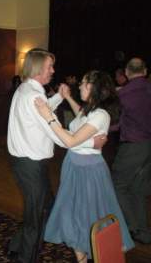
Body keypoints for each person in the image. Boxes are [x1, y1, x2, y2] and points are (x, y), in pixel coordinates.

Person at [6, 48, 106, 263]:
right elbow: (58, 134)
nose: (53, 70)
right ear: (39, 68)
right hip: (30, 164)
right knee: (37, 216)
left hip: (25, 162)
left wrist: (59, 97)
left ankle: (15, 246)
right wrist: (91, 142)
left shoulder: (26, 89)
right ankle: (25, 258)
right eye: (50, 66)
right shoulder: (34, 95)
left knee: (45, 206)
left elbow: (42, 112)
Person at [34, 70, 135, 262]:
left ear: (94, 88)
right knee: (71, 215)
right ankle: (81, 257)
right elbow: (81, 116)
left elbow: (71, 141)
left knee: (88, 216)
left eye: (83, 83)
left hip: (89, 171)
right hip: (74, 165)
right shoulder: (90, 109)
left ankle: (97, 256)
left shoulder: (101, 115)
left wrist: (48, 116)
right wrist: (68, 98)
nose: (79, 85)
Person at [112, 58, 151, 245]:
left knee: (118, 186)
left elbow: (115, 124)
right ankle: (143, 232)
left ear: (126, 71)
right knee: (138, 191)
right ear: (146, 71)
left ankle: (133, 227)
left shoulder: (123, 94)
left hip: (133, 148)